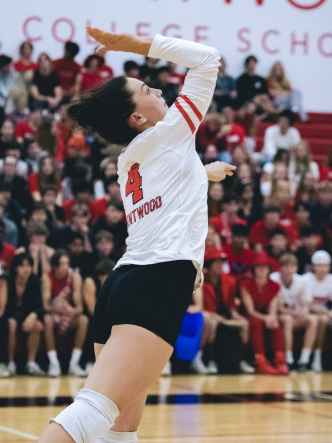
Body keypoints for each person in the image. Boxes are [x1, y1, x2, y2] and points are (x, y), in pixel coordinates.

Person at [36, 28, 235, 443]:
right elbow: (208, 59)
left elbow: (167, 201)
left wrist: (202, 173)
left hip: (123, 285)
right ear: (137, 117)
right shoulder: (172, 133)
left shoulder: (130, 159)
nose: (160, 89)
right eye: (147, 88)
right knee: (90, 414)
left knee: (119, 433)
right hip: (158, 281)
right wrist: (132, 43)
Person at [201, 249, 251, 374]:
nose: (220, 266)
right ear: (209, 265)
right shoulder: (201, 282)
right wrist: (215, 316)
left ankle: (241, 360)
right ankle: (209, 360)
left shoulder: (230, 281)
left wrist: (235, 315)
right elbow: (202, 307)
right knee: (212, 324)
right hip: (209, 314)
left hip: (225, 314)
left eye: (221, 263)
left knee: (245, 324)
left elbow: (231, 305)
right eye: (216, 263)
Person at [240, 254, 289, 375]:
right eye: (258, 267)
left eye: (265, 267)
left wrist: (271, 318)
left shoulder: (275, 286)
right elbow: (250, 311)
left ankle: (280, 361)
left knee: (276, 322)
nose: (262, 269)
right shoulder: (245, 284)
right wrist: (267, 317)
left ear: (269, 269)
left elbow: (273, 309)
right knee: (257, 323)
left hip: (264, 316)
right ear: (254, 269)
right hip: (247, 316)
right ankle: (260, 360)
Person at [42, 251, 89, 377]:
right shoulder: (47, 276)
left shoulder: (75, 277)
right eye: (62, 264)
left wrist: (71, 310)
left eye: (67, 264)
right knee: (46, 319)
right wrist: (55, 308)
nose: (65, 267)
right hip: (54, 313)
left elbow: (79, 308)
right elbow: (45, 306)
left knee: (83, 320)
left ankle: (74, 363)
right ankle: (53, 363)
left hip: (68, 314)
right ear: (54, 266)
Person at [270, 253, 318, 371]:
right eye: (285, 266)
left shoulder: (301, 281)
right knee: (287, 319)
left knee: (313, 319)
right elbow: (276, 306)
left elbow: (306, 303)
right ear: (280, 268)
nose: (288, 270)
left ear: (296, 268)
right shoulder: (273, 279)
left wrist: (304, 311)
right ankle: (289, 359)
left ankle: (304, 360)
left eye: (291, 266)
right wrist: (293, 313)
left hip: (295, 315)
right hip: (281, 316)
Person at [5, 253, 45, 376]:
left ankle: (31, 363)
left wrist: (32, 315)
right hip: (9, 314)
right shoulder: (8, 280)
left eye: (28, 266)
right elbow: (4, 306)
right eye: (22, 266)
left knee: (37, 325)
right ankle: (10, 363)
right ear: (16, 268)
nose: (26, 269)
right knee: (11, 324)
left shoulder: (34, 280)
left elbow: (39, 305)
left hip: (26, 314)